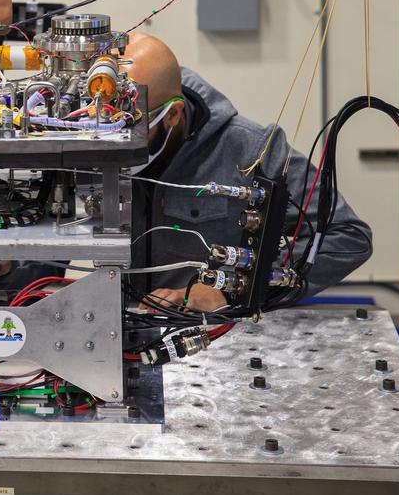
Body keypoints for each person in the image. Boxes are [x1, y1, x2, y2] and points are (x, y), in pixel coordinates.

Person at [124, 32, 372, 310]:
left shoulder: (251, 151)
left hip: (211, 329)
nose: (114, 143)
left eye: (131, 128)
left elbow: (347, 236)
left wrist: (233, 288)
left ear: (172, 114)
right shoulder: (88, 139)